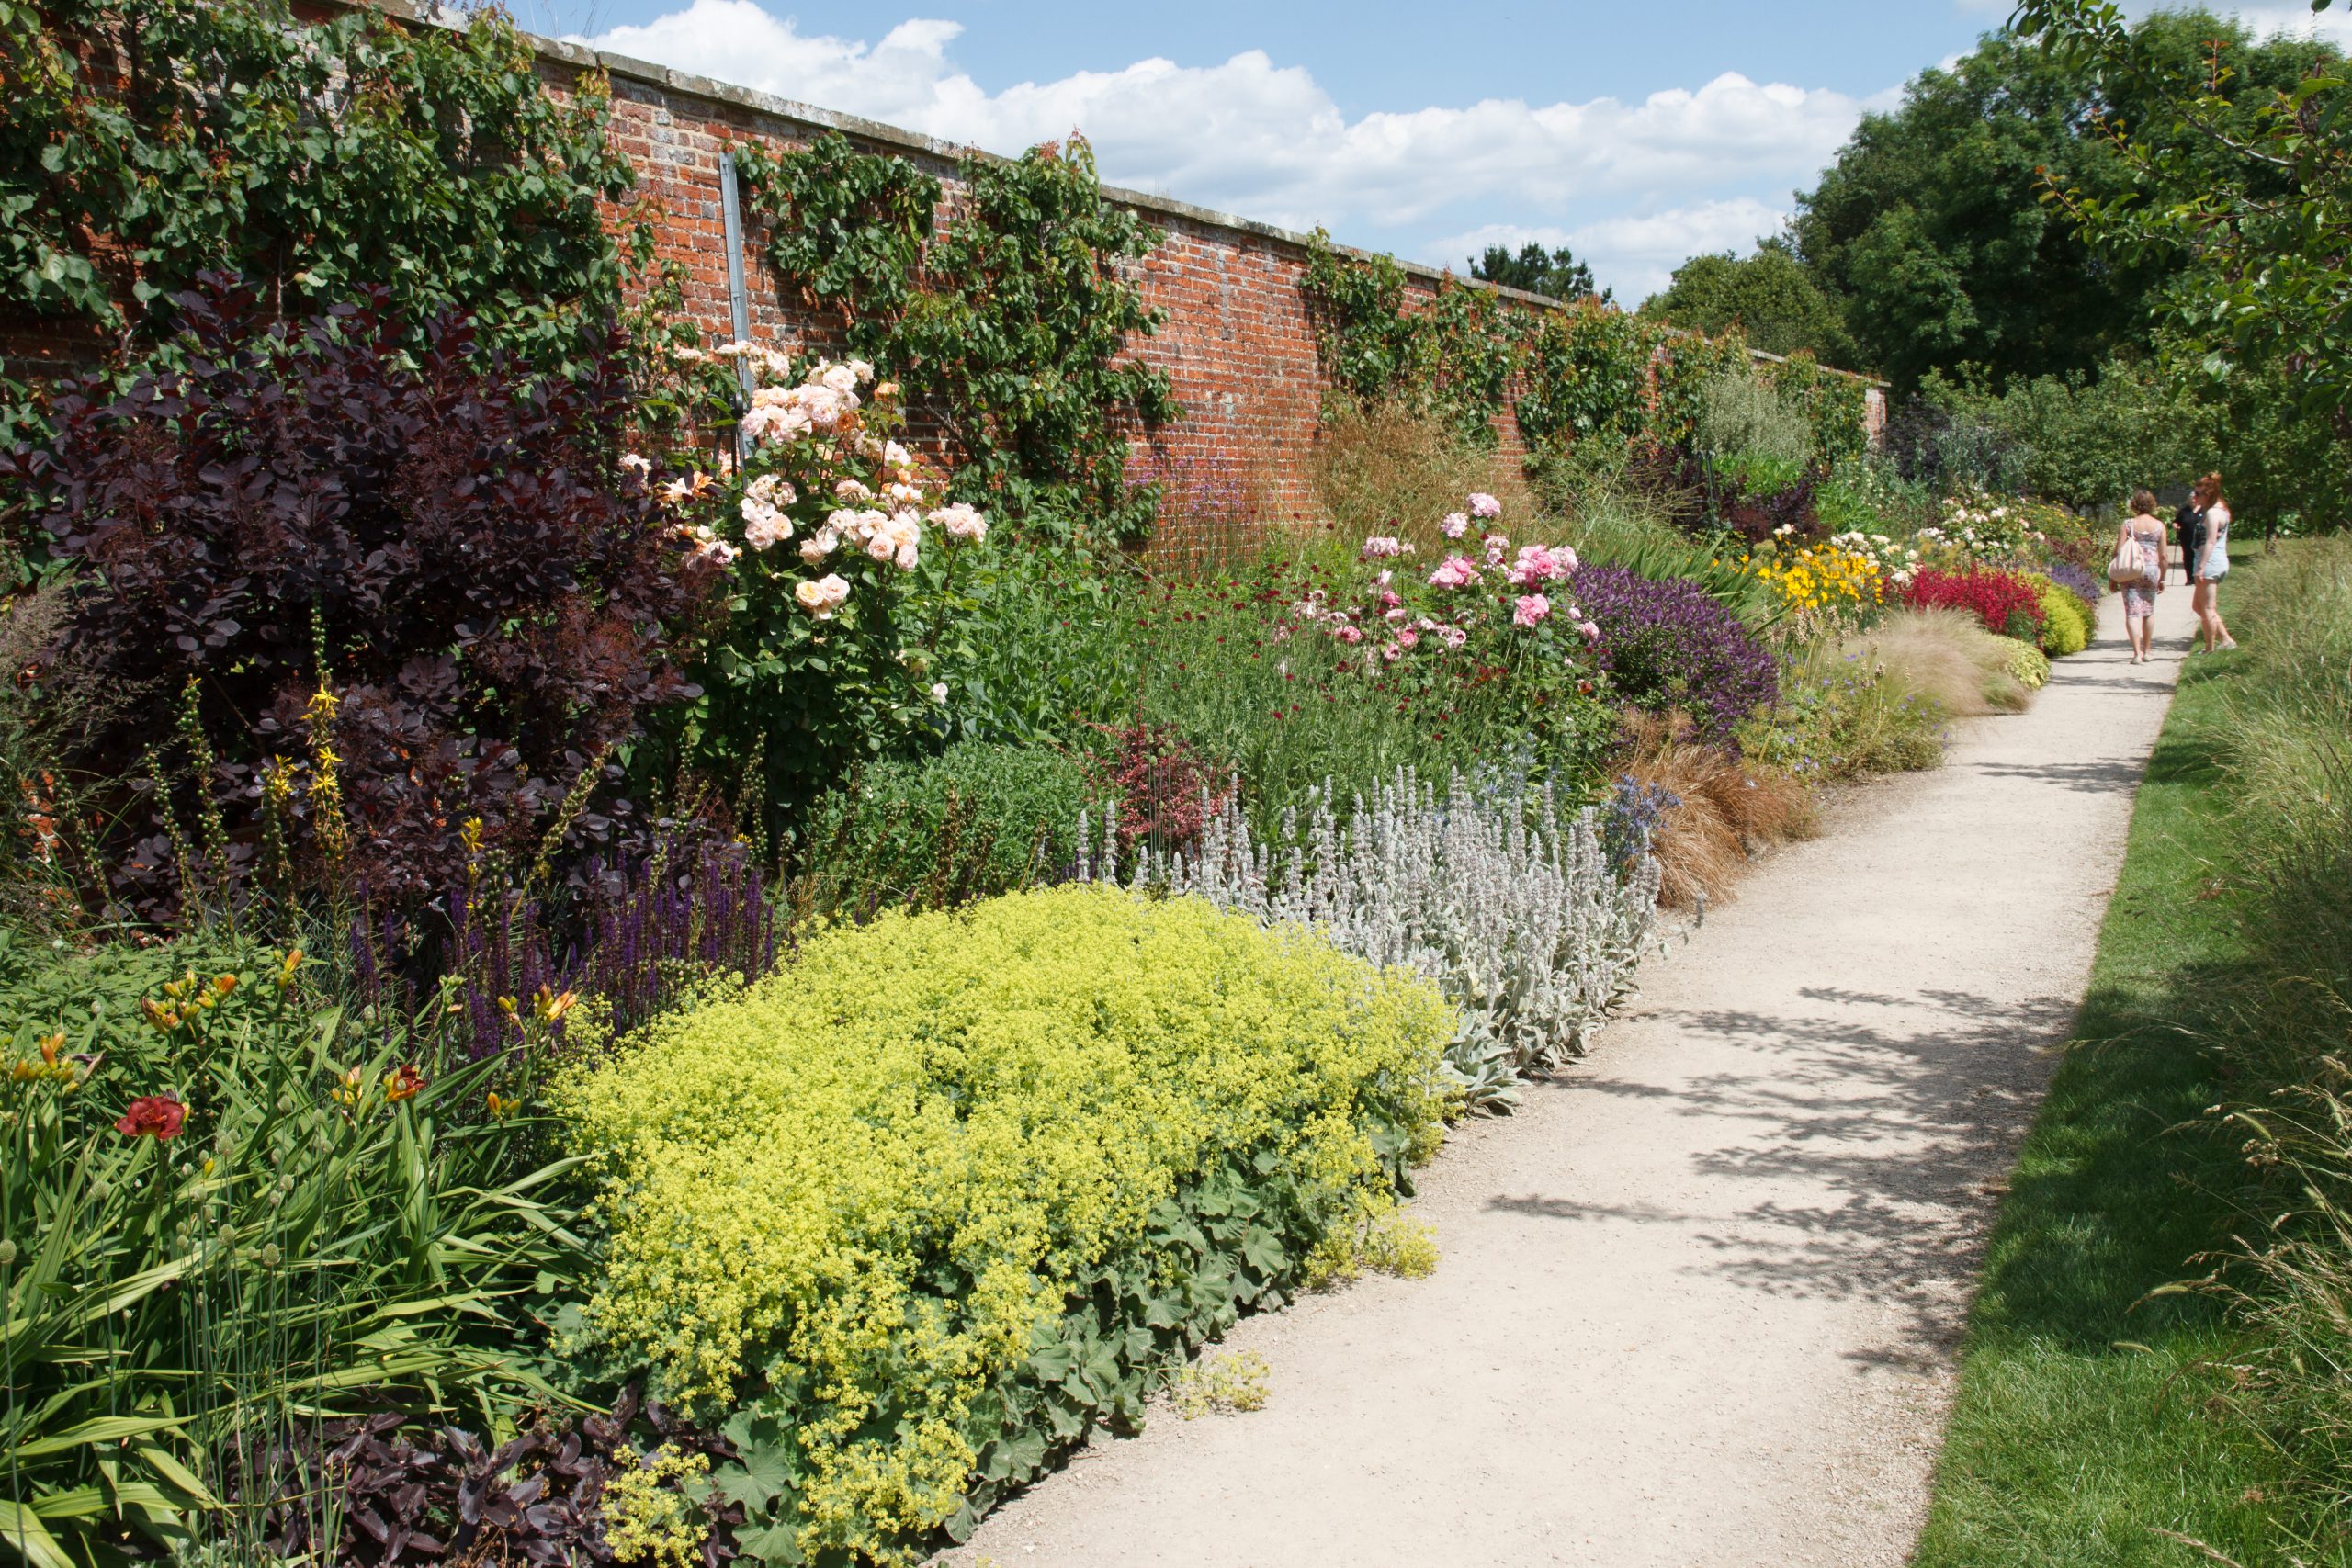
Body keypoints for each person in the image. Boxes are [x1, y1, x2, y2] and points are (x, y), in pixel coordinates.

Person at [2115, 489, 2167, 665]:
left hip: (2132, 569)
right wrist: (2162, 578)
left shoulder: (2128, 524)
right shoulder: (2159, 525)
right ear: (2152, 504)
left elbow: (2118, 552)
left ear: (2134, 505)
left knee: (2132, 612)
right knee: (2148, 611)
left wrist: (2112, 578)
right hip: (2151, 569)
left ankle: (2137, 654)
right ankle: (2148, 651)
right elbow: (2164, 556)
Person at [2189, 471, 2238, 653]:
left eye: (2198, 494)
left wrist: (2201, 568)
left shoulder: (2213, 513)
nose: (2195, 497)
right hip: (2213, 561)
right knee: (2198, 606)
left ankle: (2210, 648)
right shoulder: (2220, 510)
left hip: (2210, 563)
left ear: (2208, 494)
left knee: (2208, 608)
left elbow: (2210, 541)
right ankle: (2226, 639)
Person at [2173, 492, 2207, 585]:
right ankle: (2190, 579)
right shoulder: (2184, 511)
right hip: (2186, 538)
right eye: (2191, 499)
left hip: (2200, 539)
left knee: (2199, 557)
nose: (2193, 500)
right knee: (2188, 558)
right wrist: (2175, 525)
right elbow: (2176, 521)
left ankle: (2199, 576)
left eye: (2195, 498)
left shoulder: (2203, 510)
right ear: (2188, 500)